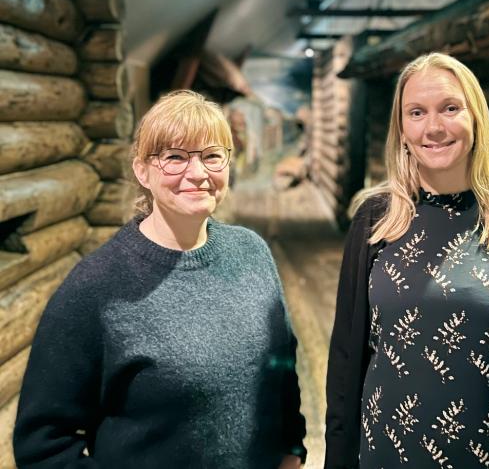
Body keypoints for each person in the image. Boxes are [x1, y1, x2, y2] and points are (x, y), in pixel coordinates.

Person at [13, 90, 306, 468]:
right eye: (175, 158)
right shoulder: (94, 287)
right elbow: (43, 445)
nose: (198, 174)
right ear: (142, 170)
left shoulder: (252, 252)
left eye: (212, 156)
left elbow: (281, 368)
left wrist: (292, 451)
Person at [325, 53, 489, 469]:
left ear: (476, 118)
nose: (434, 127)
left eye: (450, 108)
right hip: (387, 456)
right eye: (417, 112)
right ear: (402, 130)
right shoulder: (376, 220)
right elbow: (347, 358)